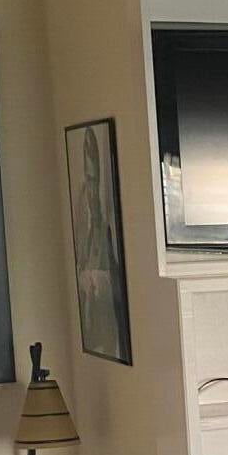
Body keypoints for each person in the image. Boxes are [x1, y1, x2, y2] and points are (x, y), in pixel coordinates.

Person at [73, 123, 130, 361]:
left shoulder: (110, 234)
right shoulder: (86, 230)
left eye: (93, 179)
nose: (91, 191)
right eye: (88, 180)